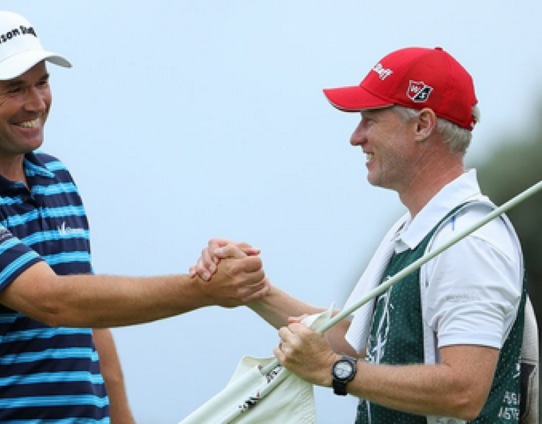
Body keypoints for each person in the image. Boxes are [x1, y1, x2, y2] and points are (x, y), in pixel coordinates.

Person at [0, 11, 269, 423]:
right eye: (15, 88)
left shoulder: (55, 178)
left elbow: (88, 314)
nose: (36, 103)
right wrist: (203, 290)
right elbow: (54, 301)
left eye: (42, 82)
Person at [195, 47, 528, 423]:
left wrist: (334, 370)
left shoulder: (469, 244)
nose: (356, 138)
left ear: (422, 125)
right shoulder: (414, 228)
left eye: (370, 120)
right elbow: (360, 342)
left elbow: (464, 391)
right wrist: (252, 289)